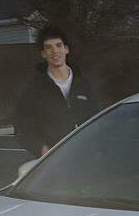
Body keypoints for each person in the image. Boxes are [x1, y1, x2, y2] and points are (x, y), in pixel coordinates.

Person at [13, 26, 98, 157]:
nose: (55, 51)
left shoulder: (84, 84)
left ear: (66, 49)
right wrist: (45, 152)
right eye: (49, 47)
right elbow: (23, 128)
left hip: (87, 156)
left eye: (59, 45)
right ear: (43, 53)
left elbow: (97, 120)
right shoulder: (32, 88)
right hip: (54, 162)